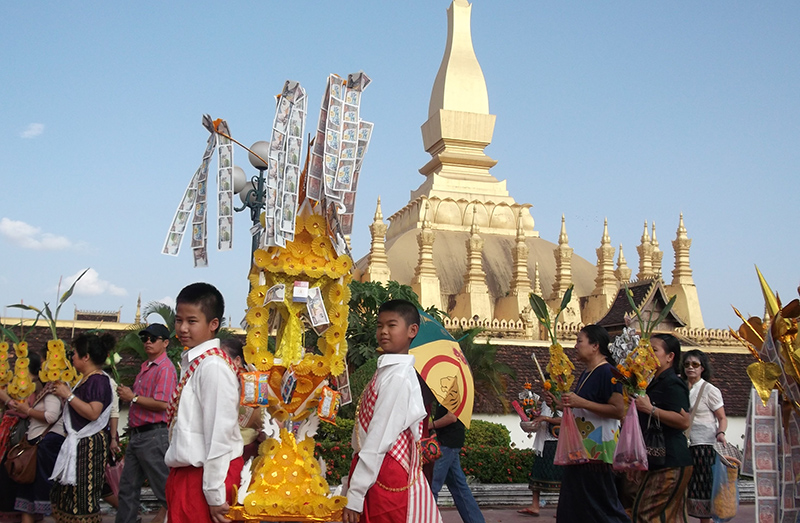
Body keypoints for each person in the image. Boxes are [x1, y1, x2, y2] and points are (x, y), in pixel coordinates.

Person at [342, 299, 442, 523]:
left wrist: (356, 493)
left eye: (391, 325)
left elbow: (378, 437)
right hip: (376, 469)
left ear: (412, 331)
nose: (383, 332)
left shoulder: (397, 377)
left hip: (385, 474)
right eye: (379, 325)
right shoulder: (387, 372)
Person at [164, 283, 243, 523]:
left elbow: (220, 435)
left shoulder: (213, 367)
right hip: (189, 476)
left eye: (191, 321)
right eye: (178, 320)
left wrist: (214, 494)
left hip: (206, 479)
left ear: (213, 324)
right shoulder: (196, 362)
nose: (183, 328)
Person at [545, 324, 629, 522]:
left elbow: (618, 410)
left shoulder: (608, 372)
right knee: (574, 508)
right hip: (580, 451)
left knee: (601, 509)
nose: (575, 346)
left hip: (598, 453)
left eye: (579, 341)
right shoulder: (587, 373)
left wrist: (580, 402)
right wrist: (561, 403)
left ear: (595, 346)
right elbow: (583, 408)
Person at [627, 334, 693, 522]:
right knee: (670, 517)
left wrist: (651, 409)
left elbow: (683, 421)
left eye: (654, 350)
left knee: (645, 514)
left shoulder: (672, 383)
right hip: (657, 458)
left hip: (671, 459)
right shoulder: (653, 382)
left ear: (670, 357)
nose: (648, 354)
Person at [115, 323, 177, 523]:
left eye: (153, 338)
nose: (147, 342)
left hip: (153, 434)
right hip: (138, 434)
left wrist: (133, 398)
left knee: (164, 489)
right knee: (127, 489)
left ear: (165, 343)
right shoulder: (146, 367)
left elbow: (163, 404)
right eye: (145, 338)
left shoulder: (165, 369)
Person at [50, 332, 115, 523]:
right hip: (79, 443)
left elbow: (93, 412)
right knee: (66, 494)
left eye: (75, 354)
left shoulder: (98, 380)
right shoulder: (86, 379)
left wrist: (68, 395)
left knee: (83, 497)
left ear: (86, 357)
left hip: (89, 444)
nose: (72, 358)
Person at [1, 352, 66, 523]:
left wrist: (22, 408)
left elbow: (51, 416)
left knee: (43, 498)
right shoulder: (41, 390)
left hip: (44, 446)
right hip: (33, 444)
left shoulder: (53, 390)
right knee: (27, 499)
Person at [682, 349, 727, 522]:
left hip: (704, 444)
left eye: (695, 364)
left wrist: (721, 433)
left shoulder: (709, 390)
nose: (690, 368)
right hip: (684, 443)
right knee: (682, 489)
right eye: (687, 364)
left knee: (704, 489)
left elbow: (721, 417)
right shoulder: (680, 387)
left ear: (702, 368)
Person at [429, 403, 485, 523]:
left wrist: (430, 425)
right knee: (459, 486)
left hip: (447, 443)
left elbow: (452, 417)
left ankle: (428, 518)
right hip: (449, 442)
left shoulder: (455, 390)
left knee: (432, 486)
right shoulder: (444, 392)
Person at [518, 392, 561, 517]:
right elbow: (540, 419)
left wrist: (545, 418)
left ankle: (561, 507)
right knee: (537, 473)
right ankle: (535, 505)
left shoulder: (562, 403)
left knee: (561, 477)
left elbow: (565, 419)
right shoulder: (543, 405)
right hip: (543, 443)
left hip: (556, 443)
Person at [219, 338, 262, 463]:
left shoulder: (253, 381)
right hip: (221, 447)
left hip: (246, 447)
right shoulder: (217, 381)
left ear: (237, 360)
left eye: (222, 359)